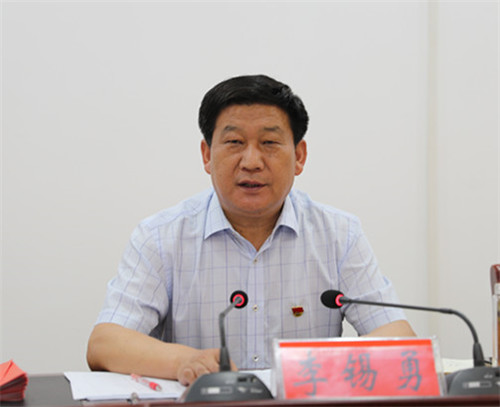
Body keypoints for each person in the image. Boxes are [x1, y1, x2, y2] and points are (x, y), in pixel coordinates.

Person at [86, 74, 416, 386]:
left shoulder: (339, 235)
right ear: (206, 155)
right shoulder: (160, 237)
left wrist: (312, 369)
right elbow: (105, 344)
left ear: (299, 156)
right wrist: (185, 361)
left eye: (269, 142)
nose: (252, 161)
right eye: (234, 142)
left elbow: (398, 336)